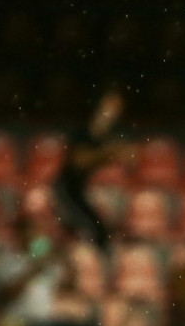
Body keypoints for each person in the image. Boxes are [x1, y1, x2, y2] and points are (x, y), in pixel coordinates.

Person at [53, 86, 129, 249]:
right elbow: (80, 160)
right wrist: (110, 153)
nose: (113, 112)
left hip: (80, 191)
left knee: (100, 232)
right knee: (93, 231)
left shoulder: (106, 134)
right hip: (66, 191)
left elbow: (130, 155)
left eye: (117, 107)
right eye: (109, 105)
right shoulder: (82, 130)